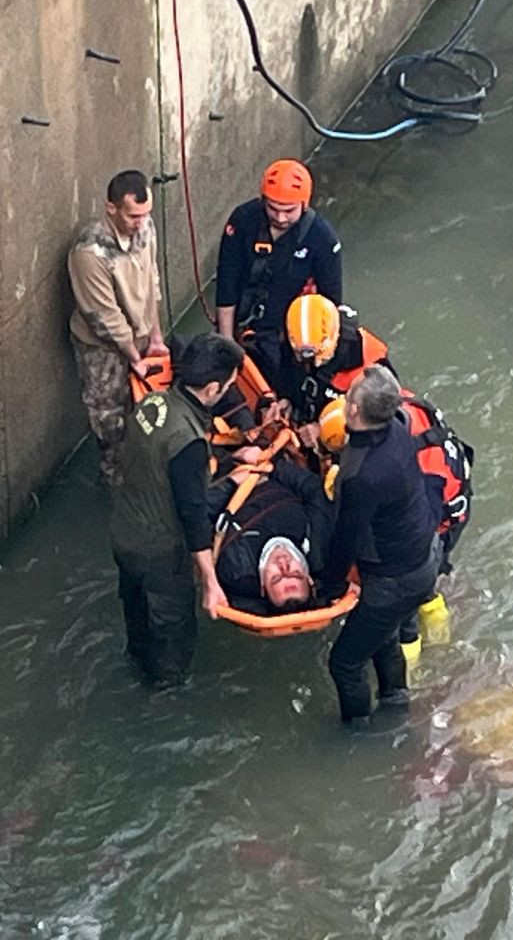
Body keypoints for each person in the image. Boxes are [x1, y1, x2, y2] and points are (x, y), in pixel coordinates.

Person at [109, 333, 245, 686]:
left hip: (125, 535)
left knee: (138, 623)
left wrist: (227, 462)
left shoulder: (152, 405)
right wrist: (210, 582)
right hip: (160, 554)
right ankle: (165, 693)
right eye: (229, 385)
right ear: (213, 389)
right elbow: (193, 514)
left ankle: (136, 667)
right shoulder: (188, 443)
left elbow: (156, 463)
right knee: (173, 636)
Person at [317, 365, 441, 722]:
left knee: (344, 663)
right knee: (383, 635)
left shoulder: (363, 476)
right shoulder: (397, 428)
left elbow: (346, 536)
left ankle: (357, 729)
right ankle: (396, 700)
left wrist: (330, 584)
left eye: (348, 393)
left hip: (395, 577)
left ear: (353, 411)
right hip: (422, 555)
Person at [68, 169, 170, 486]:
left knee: (146, 407)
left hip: (140, 333)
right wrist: (133, 357)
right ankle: (114, 479)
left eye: (145, 214)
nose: (141, 222)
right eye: (133, 215)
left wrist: (155, 337)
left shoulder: (145, 227)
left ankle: (145, 468)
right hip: (102, 348)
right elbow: (104, 316)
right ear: (111, 207)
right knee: (108, 416)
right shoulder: (90, 252)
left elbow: (151, 280)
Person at [215, 159, 343, 389]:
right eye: (273, 209)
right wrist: (226, 343)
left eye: (289, 211)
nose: (280, 218)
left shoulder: (322, 238)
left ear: (304, 204)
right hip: (244, 324)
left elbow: (330, 303)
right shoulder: (243, 221)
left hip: (288, 338)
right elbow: (227, 283)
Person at [207, 455, 336, 613]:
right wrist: (274, 466)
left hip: (223, 472)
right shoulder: (319, 547)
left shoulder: (236, 568)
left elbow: (198, 517)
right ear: (308, 578)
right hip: (275, 463)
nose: (283, 565)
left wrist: (231, 482)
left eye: (276, 578)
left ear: (262, 587)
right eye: (295, 573)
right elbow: (314, 490)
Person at [279, 294, 393, 443]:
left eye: (319, 356)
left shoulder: (370, 362)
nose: (315, 363)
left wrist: (324, 430)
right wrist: (286, 397)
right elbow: (287, 371)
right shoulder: (295, 340)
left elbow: (379, 421)